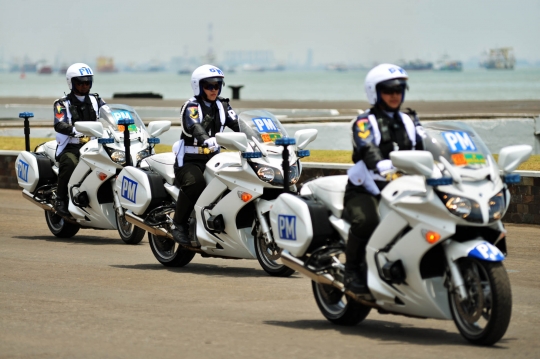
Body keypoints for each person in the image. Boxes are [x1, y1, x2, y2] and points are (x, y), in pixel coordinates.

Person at [343, 63, 425, 294]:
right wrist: (381, 164)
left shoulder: (410, 120)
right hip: (367, 189)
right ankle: (351, 271)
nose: (395, 95)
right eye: (389, 90)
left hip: (403, 188)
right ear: (375, 92)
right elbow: (368, 147)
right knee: (367, 221)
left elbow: (426, 145)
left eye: (399, 90)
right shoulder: (364, 122)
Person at [171, 64, 240, 245]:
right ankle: (177, 224)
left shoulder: (224, 106)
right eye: (209, 85)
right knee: (195, 183)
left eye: (217, 85)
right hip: (189, 160)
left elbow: (239, 125)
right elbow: (194, 125)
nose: (214, 89)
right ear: (199, 86)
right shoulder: (191, 106)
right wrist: (205, 139)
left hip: (214, 159)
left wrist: (261, 140)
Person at [53, 63, 106, 216]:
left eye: (87, 82)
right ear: (71, 82)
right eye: (80, 82)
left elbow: (110, 115)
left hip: (94, 146)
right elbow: (59, 123)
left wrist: (125, 125)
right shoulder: (62, 103)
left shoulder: (97, 101)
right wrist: (75, 130)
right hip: (71, 146)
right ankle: (60, 199)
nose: (84, 86)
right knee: (70, 163)